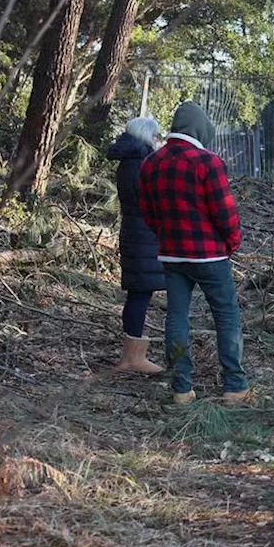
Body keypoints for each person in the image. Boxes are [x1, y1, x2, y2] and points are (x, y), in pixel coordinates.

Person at [139, 102, 251, 406]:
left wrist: (165, 236)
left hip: (172, 256)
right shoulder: (208, 162)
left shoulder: (151, 163)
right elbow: (225, 213)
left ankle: (181, 388)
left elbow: (147, 212)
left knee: (176, 317)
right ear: (201, 129)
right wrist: (232, 243)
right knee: (226, 316)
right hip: (210, 256)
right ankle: (235, 387)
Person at [107, 117, 165, 374]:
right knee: (140, 294)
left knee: (138, 293)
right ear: (147, 136)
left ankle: (131, 354)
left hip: (134, 233)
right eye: (157, 136)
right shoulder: (143, 165)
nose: (159, 141)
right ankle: (133, 358)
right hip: (145, 236)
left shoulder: (129, 162)